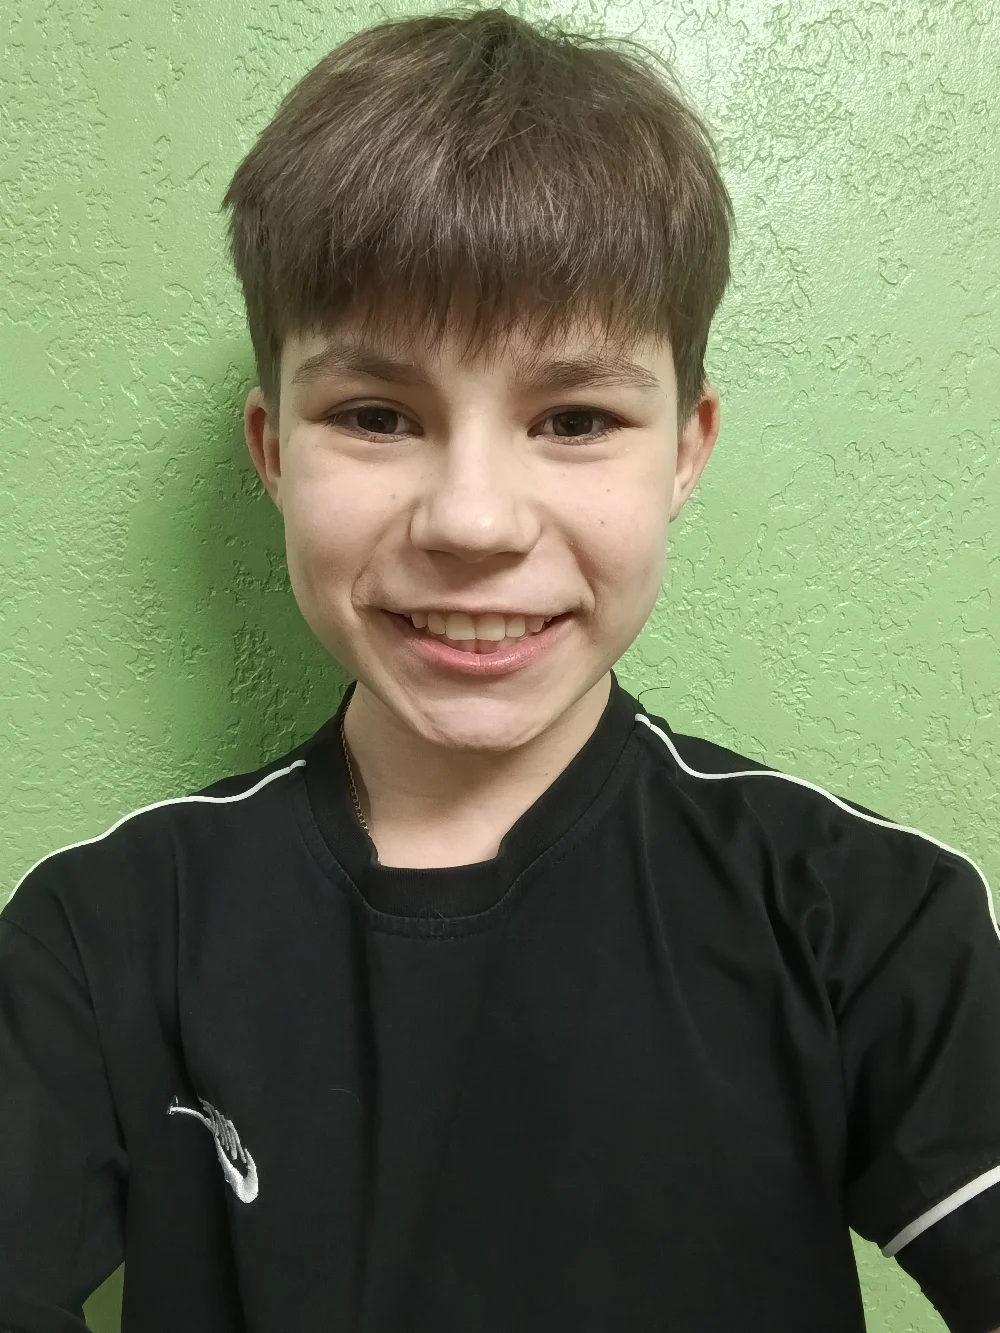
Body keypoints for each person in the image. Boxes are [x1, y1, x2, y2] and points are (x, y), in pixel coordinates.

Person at [2, 6, 998, 1332]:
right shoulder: (104, 935)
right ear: (274, 450)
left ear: (685, 451)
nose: (473, 521)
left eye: (574, 418)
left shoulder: (859, 918)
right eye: (376, 416)